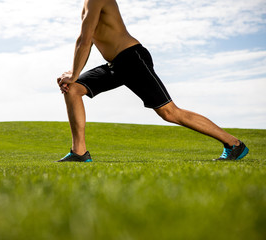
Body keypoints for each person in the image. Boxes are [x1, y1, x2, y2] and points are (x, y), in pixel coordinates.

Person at [56, 0, 249, 162]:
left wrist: (74, 73)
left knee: (170, 112)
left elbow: (85, 39)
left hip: (132, 59)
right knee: (72, 89)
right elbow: (84, 40)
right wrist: (74, 75)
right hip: (117, 64)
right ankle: (79, 153)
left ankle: (234, 144)